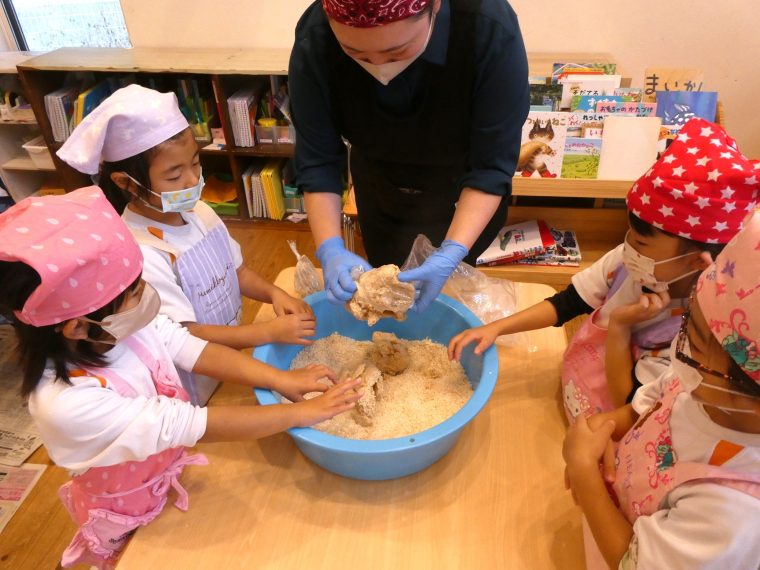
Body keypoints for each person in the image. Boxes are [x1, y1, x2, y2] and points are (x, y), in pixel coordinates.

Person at [0, 187, 362, 569]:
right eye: (135, 292)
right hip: (126, 510)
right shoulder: (67, 404)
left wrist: (279, 379)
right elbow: (191, 424)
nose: (147, 295)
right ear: (77, 327)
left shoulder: (119, 326)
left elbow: (192, 348)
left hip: (169, 470)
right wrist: (303, 413)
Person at [449, 118, 760, 419]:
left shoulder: (698, 329)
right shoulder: (626, 263)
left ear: (698, 262)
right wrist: (495, 328)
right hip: (575, 385)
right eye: (629, 234)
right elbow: (567, 303)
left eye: (641, 242)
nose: (628, 247)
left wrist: (621, 327)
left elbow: (631, 405)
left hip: (606, 422)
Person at [57, 84, 315, 404]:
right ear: (126, 183)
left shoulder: (199, 211)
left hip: (233, 353)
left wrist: (275, 293)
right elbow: (185, 336)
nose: (193, 181)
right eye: (174, 176)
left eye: (195, 163)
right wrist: (266, 333)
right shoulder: (140, 253)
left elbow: (237, 271)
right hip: (195, 382)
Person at [289, 0, 529, 312]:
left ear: (435, 5)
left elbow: (491, 166)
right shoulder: (316, 37)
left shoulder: (487, 29)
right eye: (356, 54)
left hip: (464, 189)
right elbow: (318, 160)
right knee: (387, 287)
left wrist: (453, 250)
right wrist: (330, 247)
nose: (378, 67)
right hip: (379, 188)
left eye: (396, 52)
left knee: (454, 291)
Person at [562, 208, 760, 569]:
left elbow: (634, 561)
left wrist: (584, 473)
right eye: (687, 329)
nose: (678, 354)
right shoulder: (699, 384)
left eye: (693, 343)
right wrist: (604, 426)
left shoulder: (734, 511)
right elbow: (648, 407)